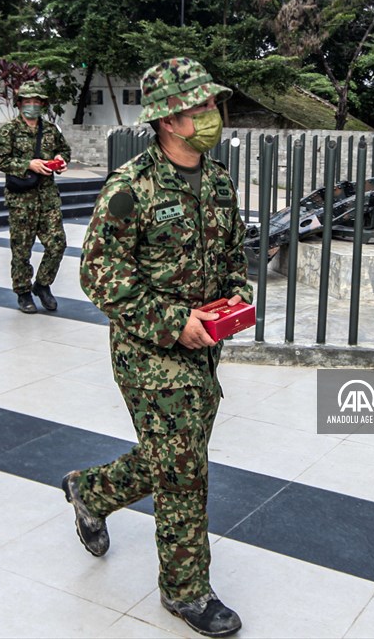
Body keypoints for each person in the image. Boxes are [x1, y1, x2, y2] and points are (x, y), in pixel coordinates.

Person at [65, 57, 251, 638]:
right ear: (169, 120)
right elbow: (98, 277)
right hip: (149, 349)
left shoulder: (218, 181)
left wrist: (236, 297)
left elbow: (232, 259)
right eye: (200, 108)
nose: (212, 116)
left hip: (204, 346)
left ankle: (90, 490)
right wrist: (174, 321)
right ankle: (186, 590)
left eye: (213, 105)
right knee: (184, 468)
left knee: (175, 458)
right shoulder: (129, 188)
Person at [0, 81, 70, 314]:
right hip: (21, 200)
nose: (32, 106)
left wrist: (60, 158)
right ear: (19, 104)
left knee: (58, 244)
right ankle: (23, 292)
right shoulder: (10, 130)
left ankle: (42, 284)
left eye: (37, 102)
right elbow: (0, 160)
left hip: (47, 198)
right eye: (28, 102)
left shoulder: (51, 130)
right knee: (22, 250)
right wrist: (28, 164)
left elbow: (65, 150)